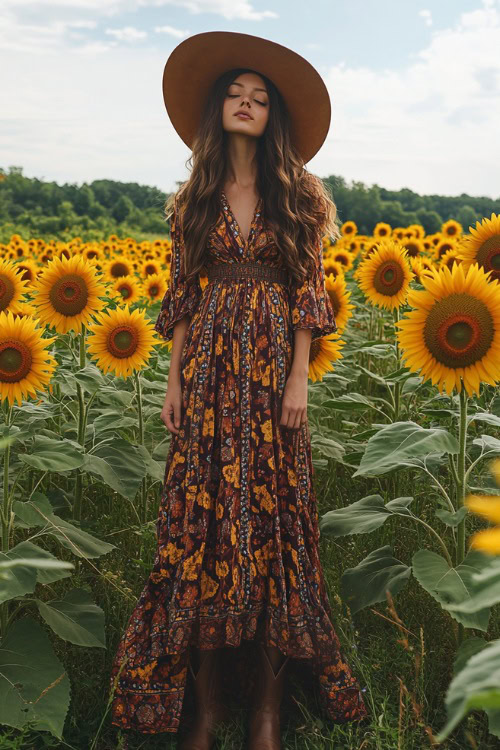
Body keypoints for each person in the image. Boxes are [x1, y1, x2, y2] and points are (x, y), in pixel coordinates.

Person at [108, 30, 367, 749]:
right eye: (235, 94)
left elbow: (309, 294)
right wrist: (172, 383)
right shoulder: (195, 196)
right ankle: (212, 706)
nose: (246, 104)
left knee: (277, 528)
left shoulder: (300, 195)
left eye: (259, 98)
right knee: (202, 531)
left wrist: (297, 378)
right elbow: (181, 297)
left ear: (273, 115)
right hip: (209, 377)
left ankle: (267, 711)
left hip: (270, 375)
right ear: (218, 110)